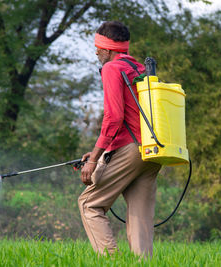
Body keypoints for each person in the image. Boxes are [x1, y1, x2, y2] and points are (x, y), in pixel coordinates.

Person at [78, 21, 161, 257]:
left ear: (107, 49)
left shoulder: (112, 69)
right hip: (154, 150)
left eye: (97, 47)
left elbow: (114, 118)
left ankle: (112, 261)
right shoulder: (137, 68)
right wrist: (101, 151)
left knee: (89, 204)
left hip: (132, 149)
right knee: (140, 221)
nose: (95, 51)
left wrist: (94, 159)